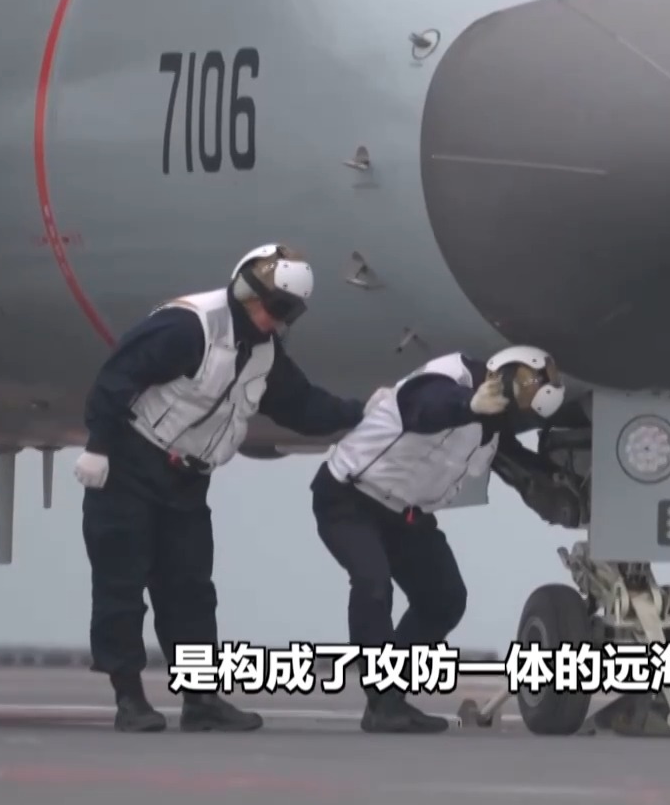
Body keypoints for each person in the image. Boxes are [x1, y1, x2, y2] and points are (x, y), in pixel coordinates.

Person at [73, 244, 367, 733]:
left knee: (191, 591)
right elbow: (117, 377)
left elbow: (302, 406)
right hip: (128, 466)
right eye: (272, 305)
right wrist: (98, 446)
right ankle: (129, 696)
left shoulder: (264, 354)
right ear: (246, 290)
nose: (274, 319)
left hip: (186, 480)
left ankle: (201, 699)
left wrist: (363, 413)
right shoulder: (188, 326)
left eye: (287, 312)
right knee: (120, 585)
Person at [311, 345, 566, 733]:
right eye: (522, 386)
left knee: (444, 599)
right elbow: (424, 407)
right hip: (349, 498)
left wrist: (563, 483)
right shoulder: (449, 377)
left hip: (405, 515)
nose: (518, 400)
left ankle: (390, 695)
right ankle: (382, 704)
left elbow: (517, 461)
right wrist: (469, 404)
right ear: (504, 369)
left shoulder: (492, 429)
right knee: (372, 583)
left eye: (527, 403)